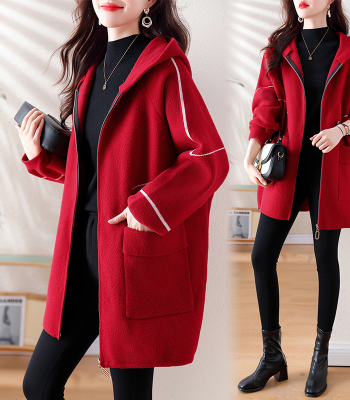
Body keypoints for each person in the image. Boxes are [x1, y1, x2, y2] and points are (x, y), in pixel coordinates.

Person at [16, 1, 229, 399]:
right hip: (79, 252)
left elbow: (209, 158)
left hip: (131, 256)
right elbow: (98, 173)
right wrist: (41, 154)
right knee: (38, 386)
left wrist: (148, 207)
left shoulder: (165, 70)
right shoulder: (91, 73)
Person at [238, 0, 350, 396]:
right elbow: (265, 109)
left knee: (324, 260)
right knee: (261, 256)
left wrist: (341, 129)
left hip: (330, 172)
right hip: (286, 166)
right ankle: (272, 356)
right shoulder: (278, 50)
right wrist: (250, 154)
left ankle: (320, 356)